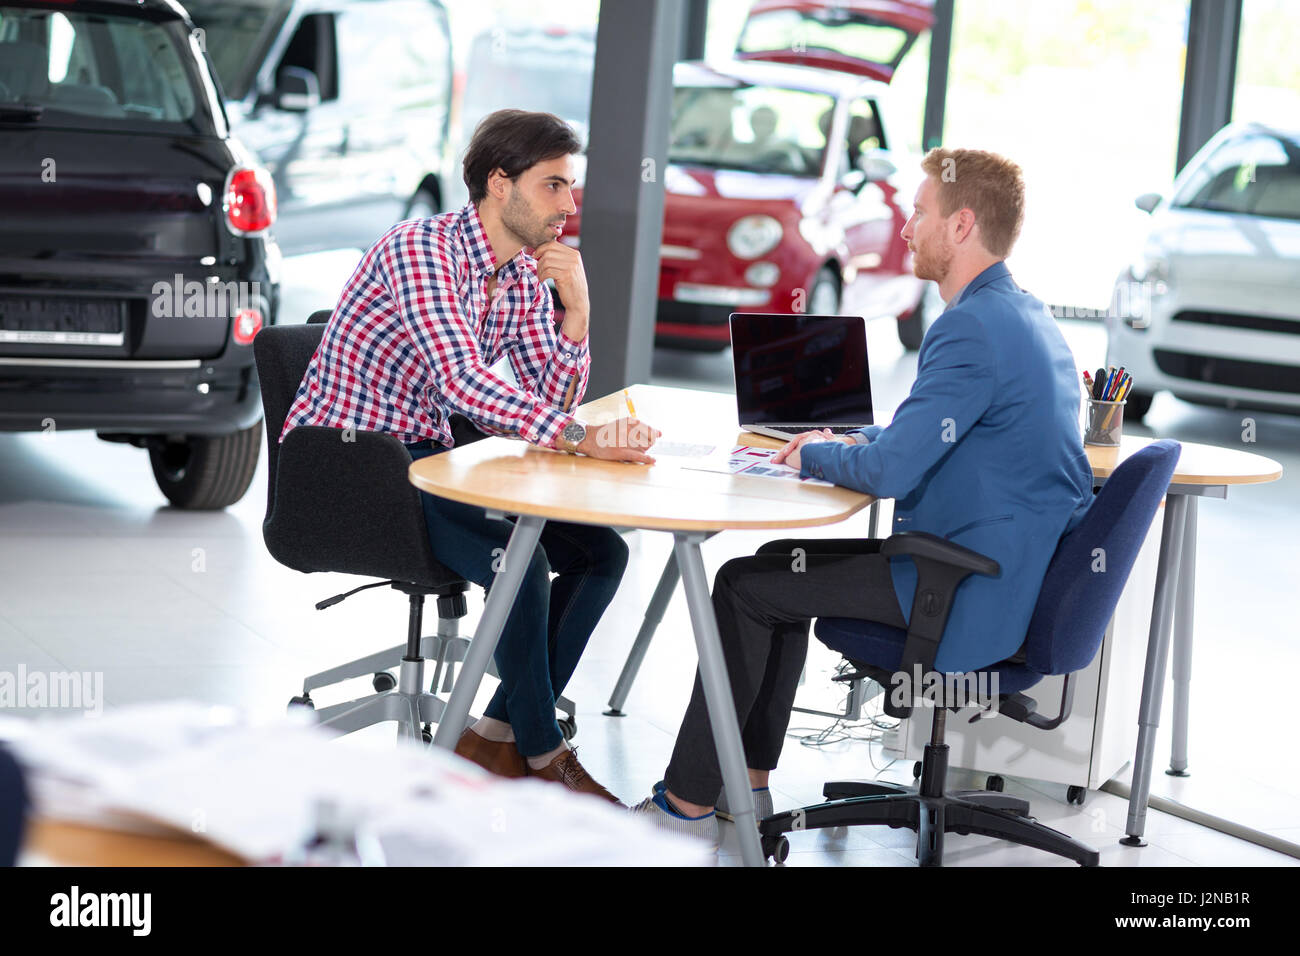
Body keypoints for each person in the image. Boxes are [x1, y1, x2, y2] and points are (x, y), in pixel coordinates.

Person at [633, 148, 1093, 841]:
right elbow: (930, 432)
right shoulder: (1022, 316)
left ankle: (688, 803)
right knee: (778, 561)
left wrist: (813, 451)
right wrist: (852, 436)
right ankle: (745, 785)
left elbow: (891, 474)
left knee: (743, 586)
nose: (905, 229)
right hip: (1001, 572)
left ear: (961, 224)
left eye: (918, 213)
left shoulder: (969, 327)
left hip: (962, 588)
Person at [282, 109, 659, 805]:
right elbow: (464, 382)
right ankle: (545, 755)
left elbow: (545, 398)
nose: (568, 207)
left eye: (570, 189)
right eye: (553, 187)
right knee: (522, 564)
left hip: (434, 458)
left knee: (603, 553)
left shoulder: (517, 275)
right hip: (353, 469)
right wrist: (579, 438)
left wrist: (575, 314)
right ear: (499, 182)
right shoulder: (419, 250)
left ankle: (491, 736)